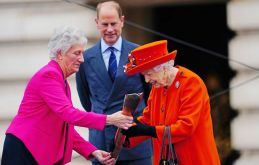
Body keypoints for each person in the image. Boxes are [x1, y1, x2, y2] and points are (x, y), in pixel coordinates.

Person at [1, 26, 134, 165]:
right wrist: (110, 119)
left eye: (82, 53)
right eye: (77, 53)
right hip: (25, 149)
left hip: (35, 150)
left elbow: (65, 125)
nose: (82, 59)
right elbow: (69, 114)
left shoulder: (60, 78)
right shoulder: (49, 75)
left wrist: (92, 151)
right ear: (60, 54)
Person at [76, 1, 152, 164]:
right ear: (97, 23)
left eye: (113, 23)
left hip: (135, 143)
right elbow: (86, 100)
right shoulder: (85, 58)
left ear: (122, 21)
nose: (109, 29)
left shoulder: (139, 53)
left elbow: (150, 94)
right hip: (101, 146)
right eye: (104, 24)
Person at [122, 40, 221, 165]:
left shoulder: (191, 83)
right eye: (143, 75)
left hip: (194, 159)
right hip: (167, 160)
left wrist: (149, 130)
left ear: (163, 67)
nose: (146, 80)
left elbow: (186, 127)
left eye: (149, 74)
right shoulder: (158, 87)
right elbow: (148, 120)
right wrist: (126, 135)